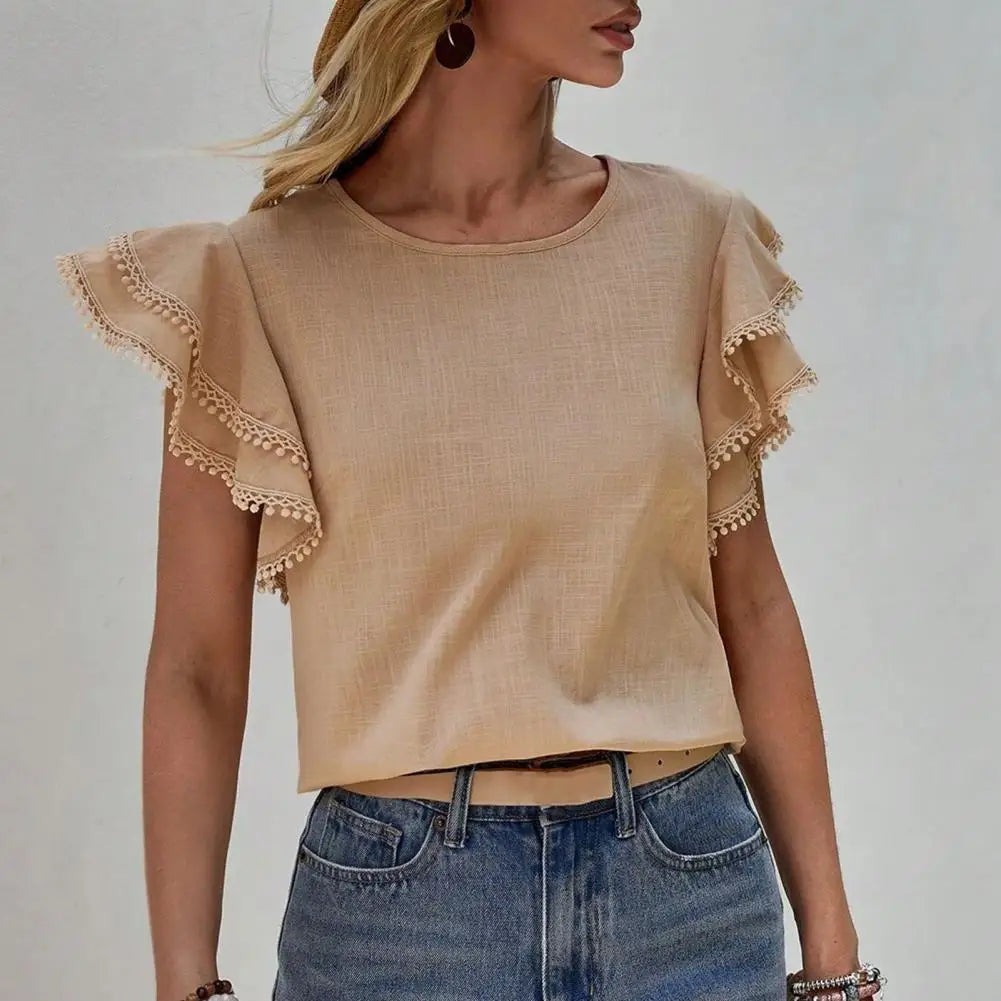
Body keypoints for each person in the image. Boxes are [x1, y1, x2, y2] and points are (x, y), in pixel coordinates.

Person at [54, 1, 886, 1000]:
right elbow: (195, 665)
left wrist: (832, 955)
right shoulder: (256, 278)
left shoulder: (690, 239)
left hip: (688, 893)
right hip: (400, 922)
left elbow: (750, 601)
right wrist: (185, 982)